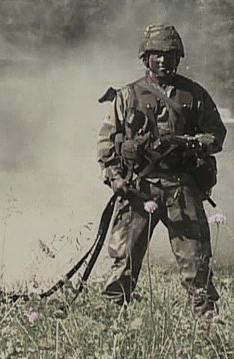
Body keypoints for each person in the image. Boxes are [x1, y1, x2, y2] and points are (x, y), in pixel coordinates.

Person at [97, 23, 226, 315]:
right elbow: (107, 140)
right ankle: (112, 317)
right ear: (146, 58)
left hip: (181, 186)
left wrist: (196, 144)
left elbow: (216, 133)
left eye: (169, 54)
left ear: (178, 57)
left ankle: (204, 317)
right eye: (157, 54)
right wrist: (114, 177)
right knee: (124, 258)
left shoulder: (194, 95)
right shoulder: (127, 96)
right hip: (139, 186)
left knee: (197, 260)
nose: (164, 60)